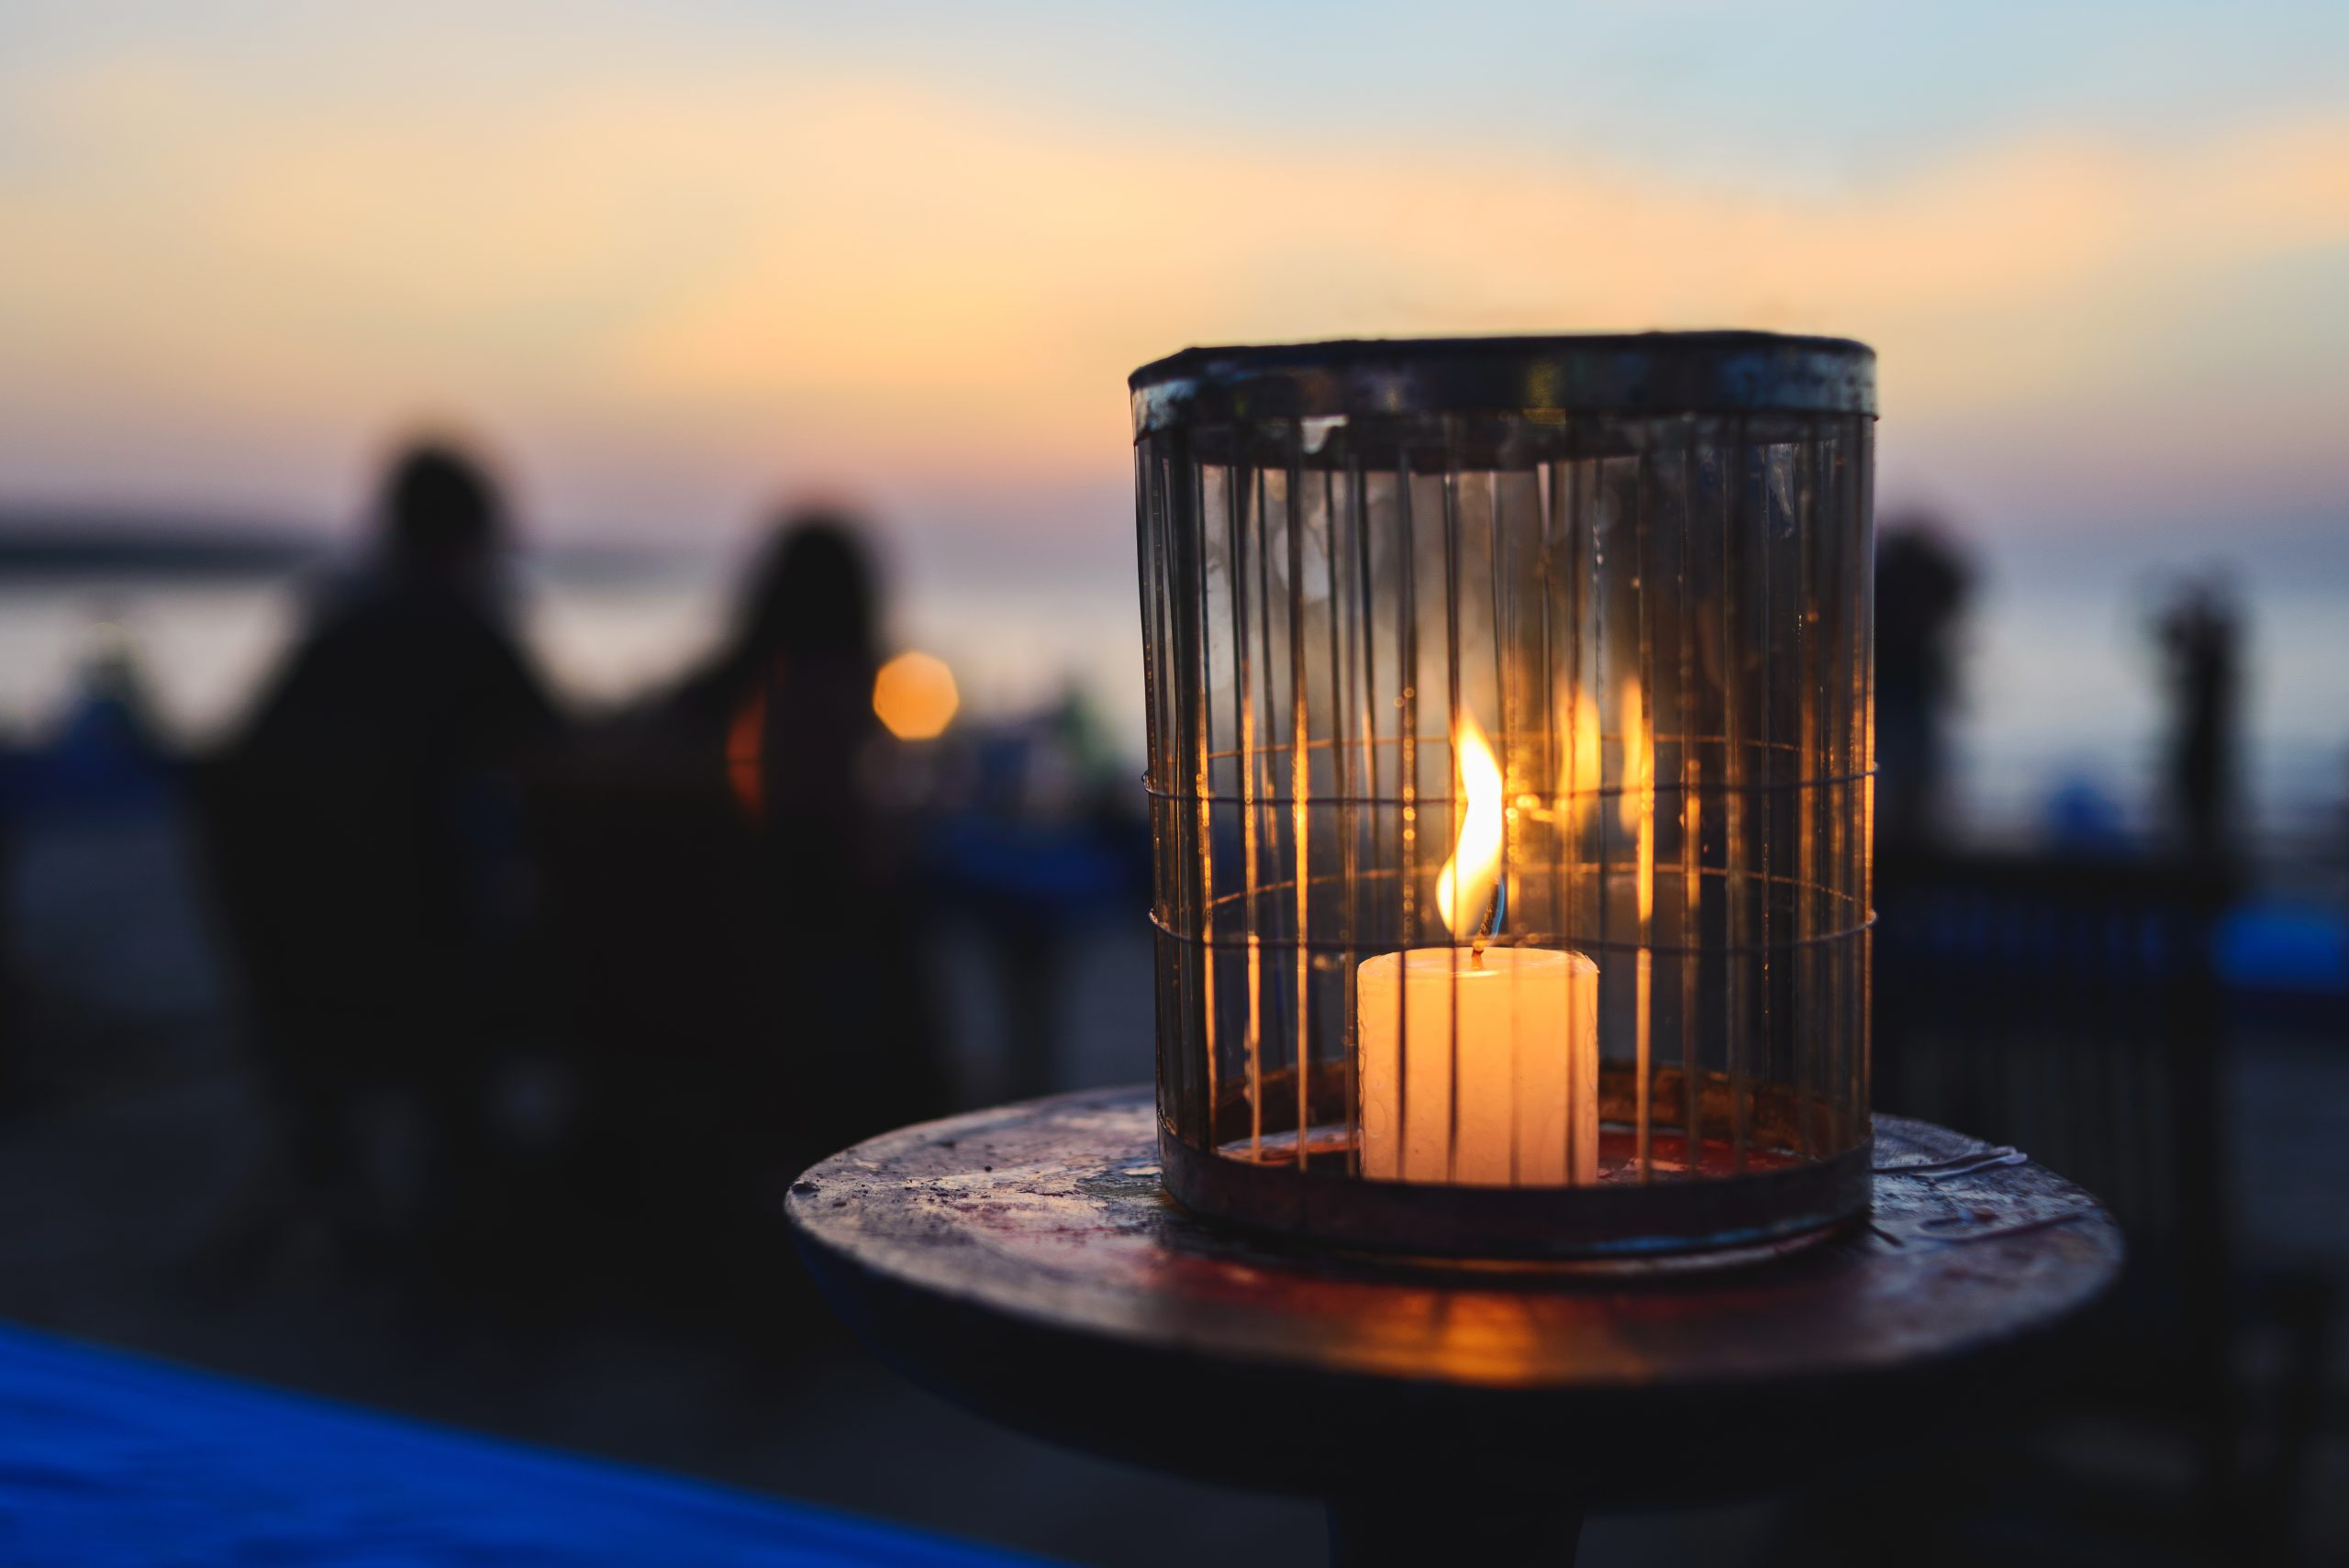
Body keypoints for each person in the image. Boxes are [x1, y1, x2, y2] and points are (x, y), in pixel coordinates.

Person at [203, 440, 560, 1279]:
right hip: (431, 989)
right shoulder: (467, 633)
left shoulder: (326, 639)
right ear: (474, 536)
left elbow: (238, 772)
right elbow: (561, 755)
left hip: (300, 993)